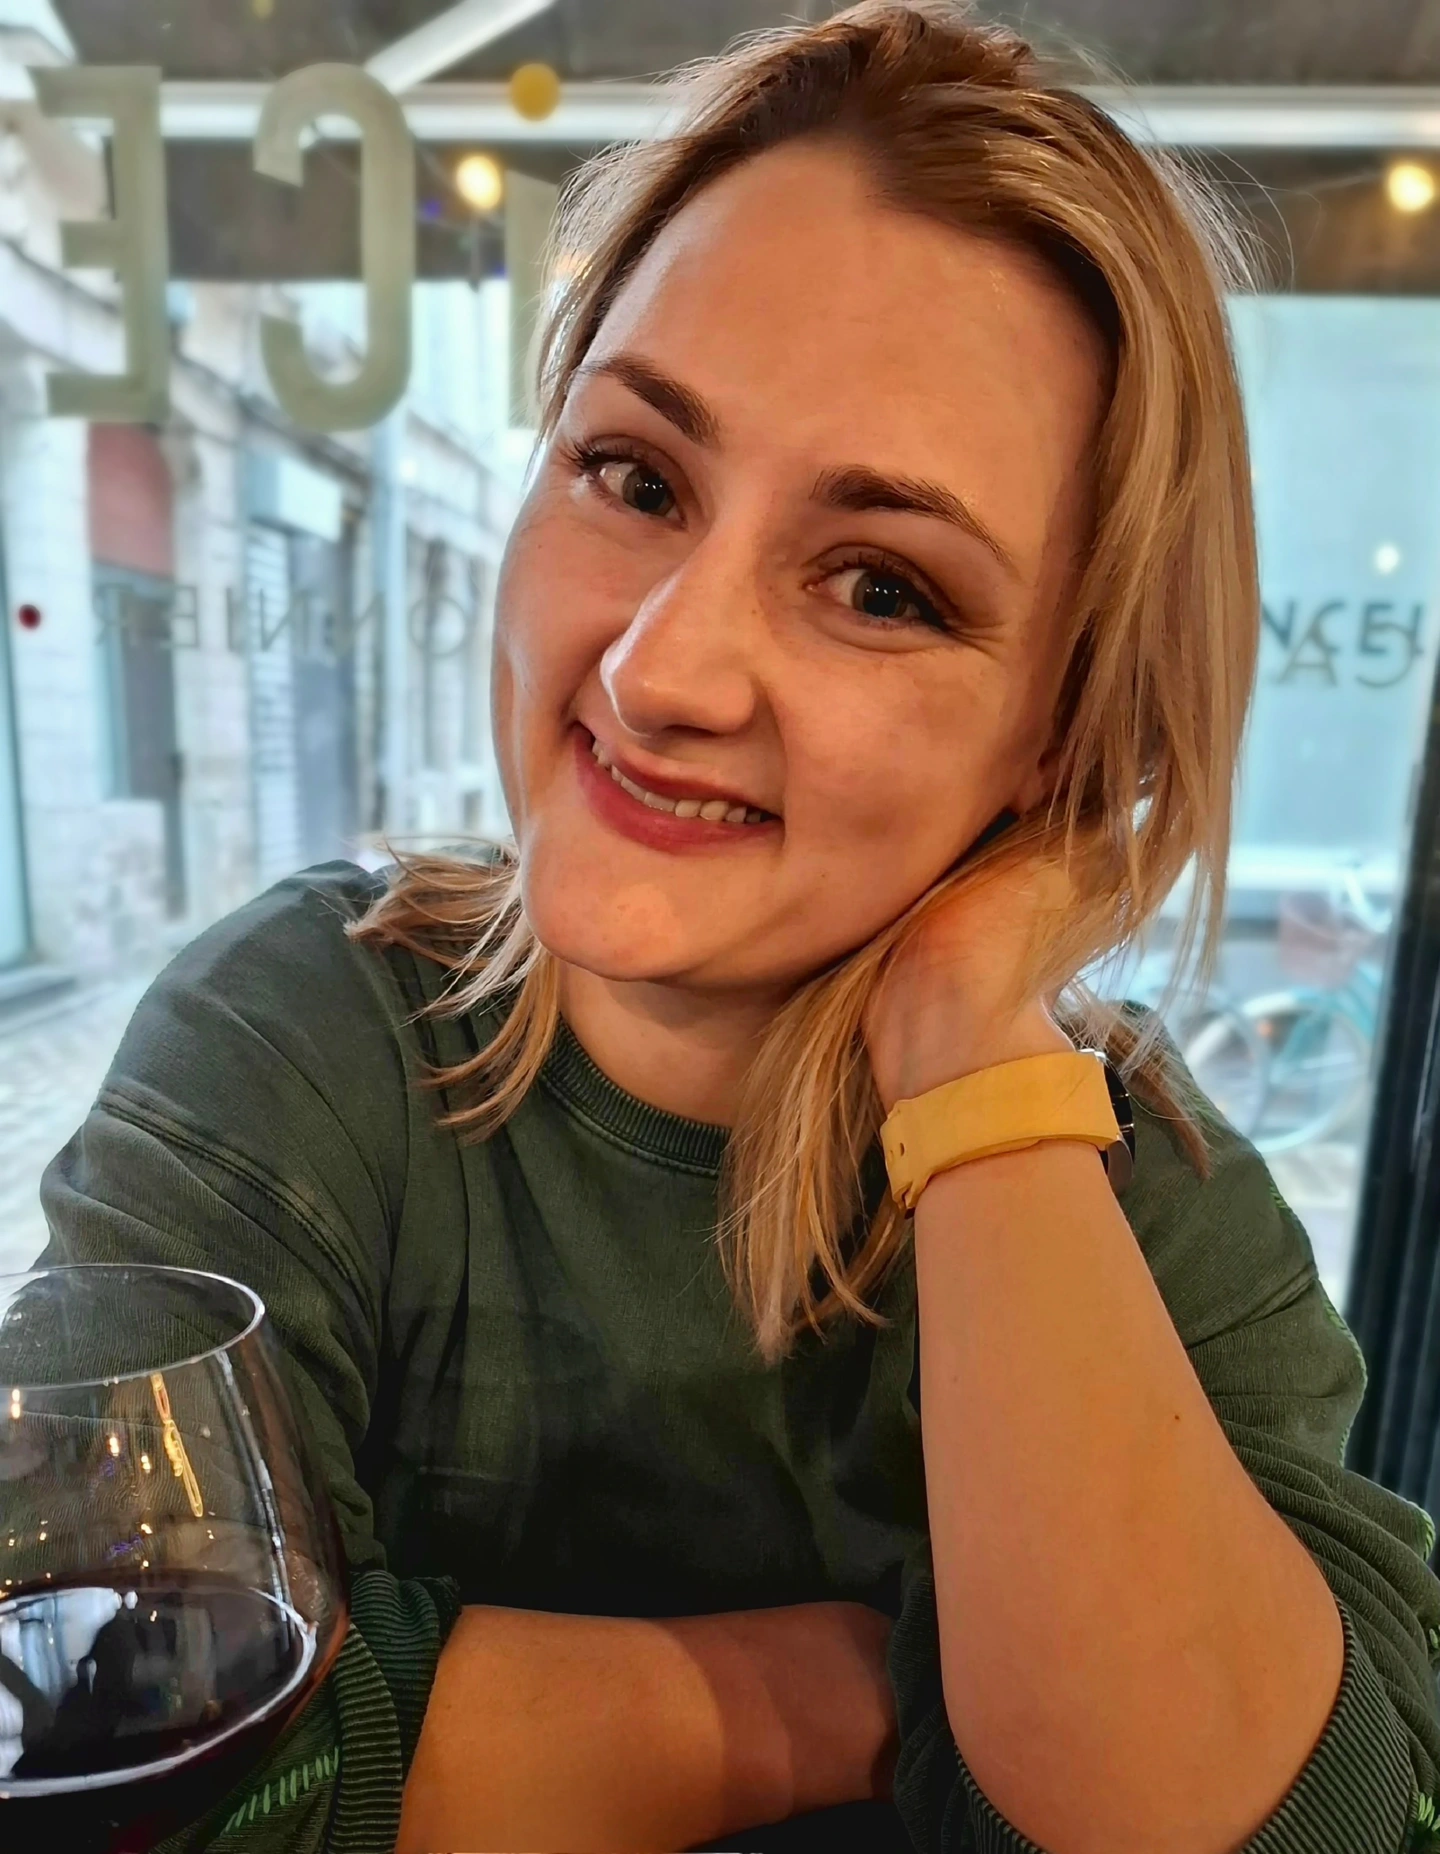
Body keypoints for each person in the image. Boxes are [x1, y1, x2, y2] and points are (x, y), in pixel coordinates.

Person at [37, 5, 1440, 1851]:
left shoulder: (1145, 1195)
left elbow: (1336, 1822)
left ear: (1065, 731)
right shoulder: (296, 1035)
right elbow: (103, 1744)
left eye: (881, 584)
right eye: (635, 474)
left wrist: (964, 1033)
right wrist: (853, 1697)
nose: (662, 665)